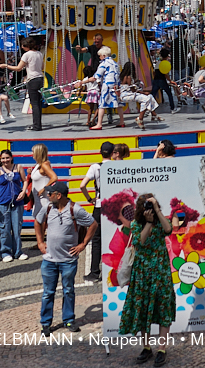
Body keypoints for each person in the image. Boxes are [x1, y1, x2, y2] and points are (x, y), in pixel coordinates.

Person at [119, 193, 176, 365]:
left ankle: (161, 349)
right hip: (142, 273)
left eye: (151, 205)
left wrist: (158, 211)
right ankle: (146, 347)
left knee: (163, 308)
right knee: (143, 309)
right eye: (146, 206)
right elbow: (139, 242)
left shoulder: (161, 221)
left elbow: (168, 230)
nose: (149, 210)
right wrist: (149, 223)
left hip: (161, 272)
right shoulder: (136, 224)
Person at [34, 181, 97, 336]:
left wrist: (83, 244)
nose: (48, 195)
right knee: (48, 292)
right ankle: (46, 323)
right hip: (49, 261)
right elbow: (37, 221)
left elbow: (93, 224)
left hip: (68, 261)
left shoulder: (75, 209)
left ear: (59, 195)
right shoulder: (48, 208)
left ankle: (68, 319)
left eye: (50, 193)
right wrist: (40, 242)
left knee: (68, 290)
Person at [77, 142, 112, 278]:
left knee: (96, 239)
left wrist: (89, 198)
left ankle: (94, 271)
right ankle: (112, 271)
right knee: (113, 238)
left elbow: (82, 185)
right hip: (114, 207)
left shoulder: (95, 167)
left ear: (100, 152)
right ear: (112, 152)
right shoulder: (116, 166)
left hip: (99, 205)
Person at [0, 35, 45, 131]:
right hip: (40, 78)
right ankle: (37, 124)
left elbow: (18, 68)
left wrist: (6, 65)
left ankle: (37, 126)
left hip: (32, 79)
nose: (22, 47)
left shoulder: (27, 55)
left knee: (34, 103)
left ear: (26, 46)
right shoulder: (39, 54)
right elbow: (42, 67)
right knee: (38, 103)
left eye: (23, 46)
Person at [0, 148, 28, 263]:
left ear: (11, 157)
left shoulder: (18, 167)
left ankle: (18, 251)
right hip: (3, 203)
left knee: (17, 228)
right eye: (3, 158)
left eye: (7, 157)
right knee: (5, 229)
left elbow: (25, 180)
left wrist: (23, 191)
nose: (5, 160)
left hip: (17, 203)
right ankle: (5, 252)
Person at [28, 144, 59, 230]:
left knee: (42, 222)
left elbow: (54, 177)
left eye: (33, 152)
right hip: (37, 198)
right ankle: (41, 241)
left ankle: (43, 241)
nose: (32, 154)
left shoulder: (45, 165)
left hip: (43, 198)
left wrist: (44, 188)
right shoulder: (38, 164)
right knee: (39, 221)